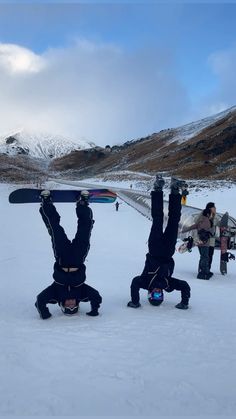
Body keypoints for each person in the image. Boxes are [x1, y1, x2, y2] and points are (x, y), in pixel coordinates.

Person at [35, 190, 102, 319]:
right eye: (74, 306)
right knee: (85, 229)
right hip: (78, 258)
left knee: (55, 229)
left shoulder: (55, 293)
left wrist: (45, 314)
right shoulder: (82, 293)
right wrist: (95, 310)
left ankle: (46, 202)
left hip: (62, 257)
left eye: (68, 306)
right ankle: (82, 204)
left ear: (62, 304)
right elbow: (96, 296)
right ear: (77, 303)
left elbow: (40, 300)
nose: (71, 303)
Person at [127, 176, 191, 310]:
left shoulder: (144, 282)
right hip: (168, 252)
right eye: (159, 296)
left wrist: (135, 301)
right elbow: (184, 286)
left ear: (150, 294)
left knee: (158, 219)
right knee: (174, 221)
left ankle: (157, 189)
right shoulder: (168, 285)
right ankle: (175, 191)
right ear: (162, 295)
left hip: (155, 250)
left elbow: (134, 283)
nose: (157, 293)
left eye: (154, 295)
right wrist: (184, 302)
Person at [182, 207, 212, 280]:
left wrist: (184, 230)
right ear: (208, 214)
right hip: (205, 242)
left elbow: (194, 226)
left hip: (199, 241)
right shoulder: (207, 221)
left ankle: (205, 271)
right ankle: (203, 272)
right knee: (205, 257)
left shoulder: (201, 220)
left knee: (203, 256)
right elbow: (208, 231)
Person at [205, 202, 217, 273]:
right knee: (206, 254)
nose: (215, 208)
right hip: (207, 238)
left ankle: (208, 269)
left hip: (212, 238)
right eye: (214, 207)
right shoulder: (205, 215)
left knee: (211, 253)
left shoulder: (214, 216)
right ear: (210, 208)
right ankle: (204, 269)